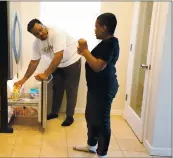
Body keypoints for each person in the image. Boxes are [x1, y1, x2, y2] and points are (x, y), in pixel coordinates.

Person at [14, 18, 81, 126]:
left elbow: (59, 55)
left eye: (41, 29)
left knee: (71, 89)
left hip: (72, 60)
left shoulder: (56, 32)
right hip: (58, 64)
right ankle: (54, 113)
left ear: (43, 25)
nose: (41, 33)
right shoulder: (37, 44)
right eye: (36, 34)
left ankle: (70, 116)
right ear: (34, 35)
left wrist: (45, 74)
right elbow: (34, 62)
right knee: (57, 87)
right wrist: (23, 80)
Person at [73, 13, 119, 158]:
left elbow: (98, 66)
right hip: (96, 88)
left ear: (104, 28)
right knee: (91, 116)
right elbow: (95, 60)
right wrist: (85, 53)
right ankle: (91, 146)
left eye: (96, 27)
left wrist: (85, 50)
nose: (95, 30)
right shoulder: (105, 43)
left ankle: (102, 153)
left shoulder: (110, 43)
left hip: (104, 89)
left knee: (101, 120)